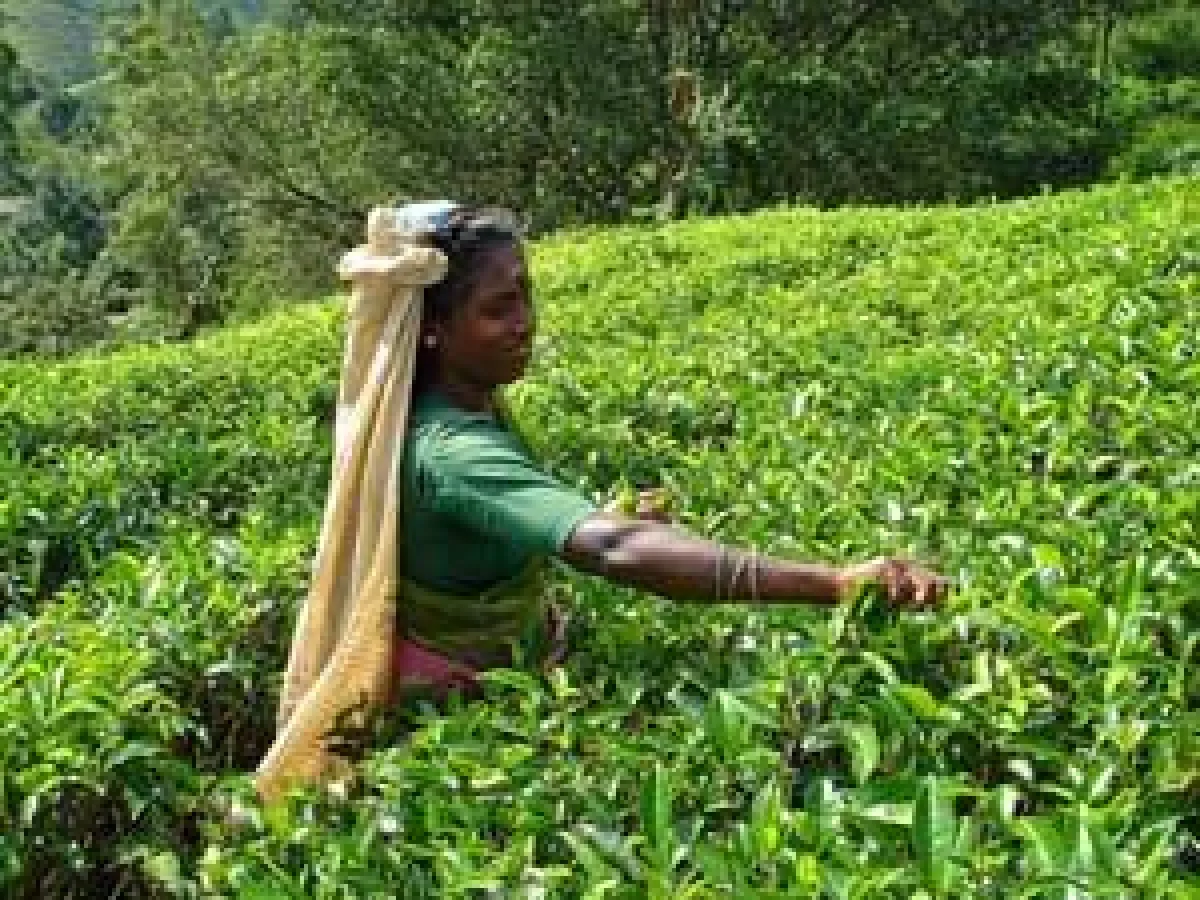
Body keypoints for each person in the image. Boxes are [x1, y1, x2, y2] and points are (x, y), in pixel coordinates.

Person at [389, 203, 949, 701]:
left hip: (518, 659)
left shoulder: (470, 403)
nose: (525, 324)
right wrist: (833, 583)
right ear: (434, 330)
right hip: (465, 699)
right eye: (498, 309)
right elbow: (611, 550)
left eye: (526, 297)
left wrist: (611, 517)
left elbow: (515, 524)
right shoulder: (453, 451)